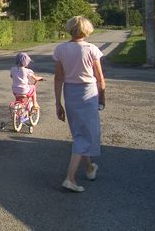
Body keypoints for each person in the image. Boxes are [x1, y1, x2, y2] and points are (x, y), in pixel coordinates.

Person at [54, 16, 106, 193]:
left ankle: (90, 168)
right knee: (86, 134)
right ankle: (70, 178)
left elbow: (58, 78)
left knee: (79, 132)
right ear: (86, 30)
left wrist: (57, 102)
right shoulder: (92, 49)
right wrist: (102, 98)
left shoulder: (60, 49)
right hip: (88, 93)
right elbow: (100, 78)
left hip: (70, 93)